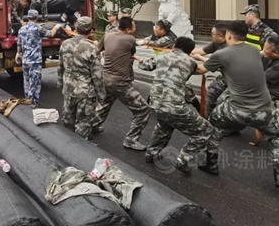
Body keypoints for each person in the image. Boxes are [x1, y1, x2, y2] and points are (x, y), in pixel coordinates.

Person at [195, 21, 279, 187]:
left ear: (228, 35)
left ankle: (211, 163)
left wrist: (183, 61)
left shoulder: (221, 54)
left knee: (213, 127)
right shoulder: (255, 50)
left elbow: (199, 70)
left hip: (236, 109)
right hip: (264, 110)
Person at [145, 37, 215, 175]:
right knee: (205, 129)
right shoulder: (190, 62)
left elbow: (144, 66)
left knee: (165, 125)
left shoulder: (162, 55)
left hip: (154, 102)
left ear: (175, 45)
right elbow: (190, 81)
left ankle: (151, 153)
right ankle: (183, 159)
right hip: (173, 105)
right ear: (190, 51)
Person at [92, 17, 151, 151]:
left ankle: (92, 126)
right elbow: (131, 52)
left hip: (105, 78)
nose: (135, 29)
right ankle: (131, 140)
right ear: (128, 29)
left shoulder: (107, 35)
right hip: (120, 82)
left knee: (104, 104)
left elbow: (97, 50)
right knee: (143, 110)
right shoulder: (129, 39)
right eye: (134, 27)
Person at [57, 16, 105, 139]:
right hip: (85, 92)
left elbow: (60, 66)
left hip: (68, 88)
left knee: (67, 121)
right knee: (83, 124)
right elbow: (97, 75)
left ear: (76, 28)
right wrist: (101, 95)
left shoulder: (65, 44)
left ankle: (66, 147)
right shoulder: (92, 49)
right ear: (91, 31)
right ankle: (81, 151)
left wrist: (60, 83)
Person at [16, 9, 61, 107]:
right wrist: (57, 27)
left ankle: (27, 100)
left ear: (27, 17)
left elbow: (19, 43)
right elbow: (50, 34)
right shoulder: (38, 28)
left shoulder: (22, 29)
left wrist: (18, 53)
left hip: (25, 60)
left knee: (27, 81)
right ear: (36, 18)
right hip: (35, 60)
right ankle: (33, 104)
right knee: (35, 82)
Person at [191, 22, 229, 118]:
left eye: (212, 34)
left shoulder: (227, 48)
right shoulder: (216, 43)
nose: (211, 35)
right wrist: (183, 50)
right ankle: (210, 119)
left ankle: (227, 125)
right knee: (211, 92)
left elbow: (205, 68)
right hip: (225, 77)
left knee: (223, 101)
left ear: (220, 36)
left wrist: (199, 58)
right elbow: (202, 50)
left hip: (234, 80)